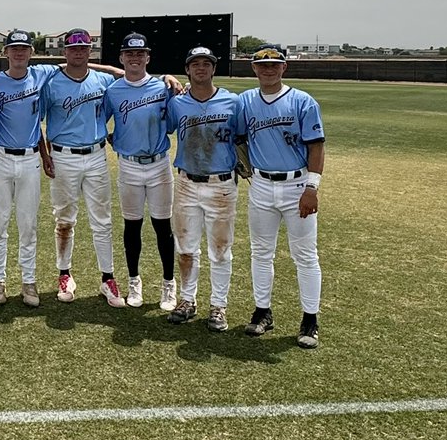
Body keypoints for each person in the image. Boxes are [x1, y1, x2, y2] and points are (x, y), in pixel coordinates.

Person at [232, 44, 326, 348]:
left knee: (305, 255)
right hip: (260, 184)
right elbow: (237, 137)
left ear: (284, 67)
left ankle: (310, 319)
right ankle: (262, 311)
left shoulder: (302, 101)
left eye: (274, 64)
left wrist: (312, 187)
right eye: (263, 65)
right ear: (254, 69)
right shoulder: (245, 101)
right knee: (261, 252)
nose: (268, 69)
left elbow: (316, 146)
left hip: (296, 184)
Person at [39, 27, 122, 307]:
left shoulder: (103, 80)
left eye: (83, 48)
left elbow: (126, 82)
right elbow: (36, 121)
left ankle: (108, 278)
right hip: (62, 156)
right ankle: (64, 274)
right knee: (64, 219)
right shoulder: (51, 82)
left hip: (96, 155)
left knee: (102, 220)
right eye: (73, 48)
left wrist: (106, 67)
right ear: (65, 51)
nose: (78, 52)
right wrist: (45, 155)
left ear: (90, 51)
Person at [164, 46, 238, 331]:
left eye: (206, 63)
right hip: (186, 182)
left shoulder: (232, 101)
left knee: (220, 250)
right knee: (186, 247)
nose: (201, 68)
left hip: (221, 184)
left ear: (214, 69)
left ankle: (218, 305)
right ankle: (187, 300)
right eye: (195, 64)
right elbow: (166, 128)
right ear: (187, 69)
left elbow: (243, 137)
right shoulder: (177, 104)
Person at [102, 32, 177, 311]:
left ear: (148, 57)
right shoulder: (113, 91)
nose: (135, 58)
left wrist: (170, 78)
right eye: (129, 54)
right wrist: (111, 137)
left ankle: (169, 284)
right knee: (132, 226)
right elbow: (98, 122)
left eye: (140, 53)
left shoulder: (163, 87)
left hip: (159, 165)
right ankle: (134, 281)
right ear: (122, 58)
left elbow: (173, 123)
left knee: (162, 227)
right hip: (129, 165)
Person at [0, 29, 58, 306]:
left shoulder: (40, 74)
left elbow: (77, 65)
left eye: (24, 48)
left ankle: (29, 281)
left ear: (31, 52)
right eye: (14, 48)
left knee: (28, 225)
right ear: (5, 52)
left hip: (29, 159)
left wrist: (44, 154)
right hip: (0, 157)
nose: (19, 52)